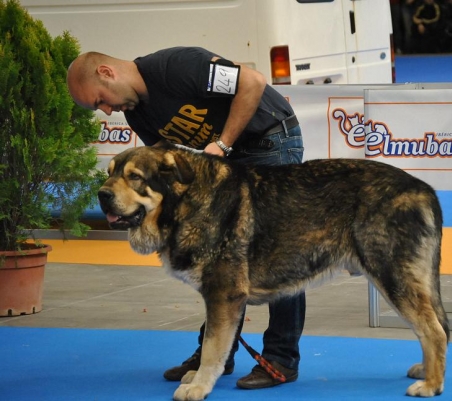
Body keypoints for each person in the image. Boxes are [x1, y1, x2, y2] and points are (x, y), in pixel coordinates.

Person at [67, 46, 305, 390]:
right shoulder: (139, 113)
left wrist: (221, 145)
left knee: (277, 251)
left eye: (100, 100)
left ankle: (280, 359)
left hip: (269, 141)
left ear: (106, 72)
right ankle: (213, 356)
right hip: (225, 161)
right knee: (217, 262)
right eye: (99, 108)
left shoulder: (176, 67)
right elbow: (166, 167)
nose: (106, 111)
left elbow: (252, 82)